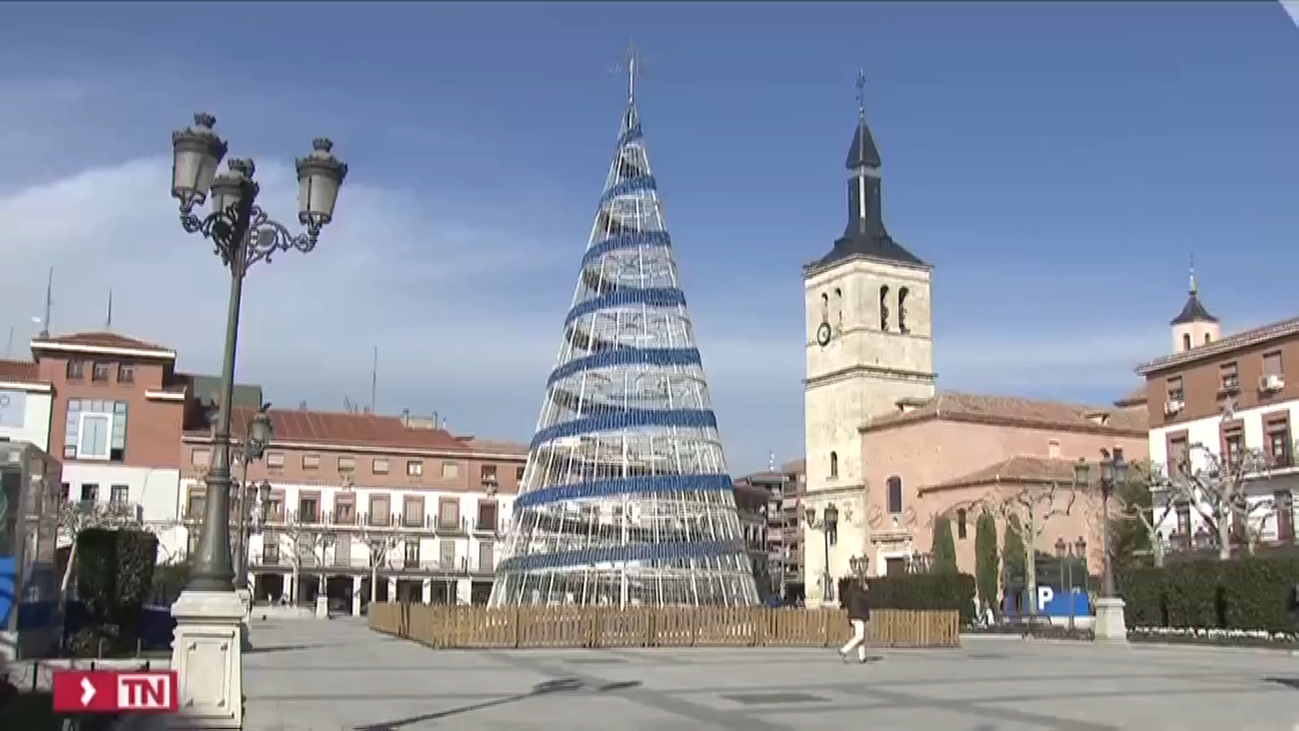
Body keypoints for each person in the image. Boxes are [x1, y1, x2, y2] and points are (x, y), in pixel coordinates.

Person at [838, 579, 872, 663]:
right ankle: (844, 650)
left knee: (860, 637)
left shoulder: (851, 592)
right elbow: (866, 601)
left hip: (854, 615)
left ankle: (862, 657)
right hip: (858, 616)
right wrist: (867, 590)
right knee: (860, 636)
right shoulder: (860, 593)